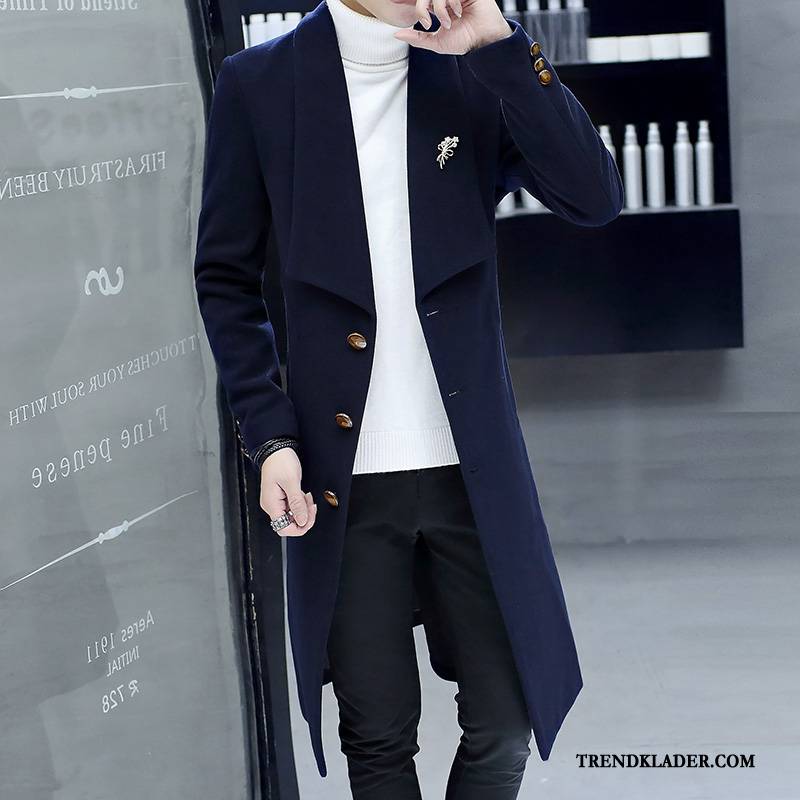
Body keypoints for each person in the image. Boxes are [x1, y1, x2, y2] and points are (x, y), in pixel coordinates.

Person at [193, 0, 623, 796]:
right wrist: (270, 434)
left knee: (507, 722)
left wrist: (501, 46)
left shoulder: (469, 68)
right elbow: (225, 279)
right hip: (340, 477)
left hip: (471, 468)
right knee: (379, 736)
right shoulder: (260, 83)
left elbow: (593, 197)